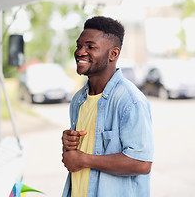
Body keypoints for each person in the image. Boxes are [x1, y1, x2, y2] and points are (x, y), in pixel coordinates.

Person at [61, 16, 154, 197]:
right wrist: (69, 144)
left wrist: (84, 159)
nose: (80, 52)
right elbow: (80, 154)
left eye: (91, 47)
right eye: (79, 46)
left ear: (114, 54)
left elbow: (142, 163)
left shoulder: (130, 101)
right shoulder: (78, 99)